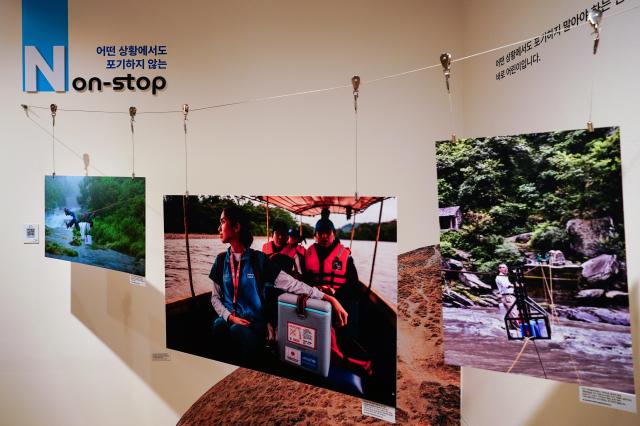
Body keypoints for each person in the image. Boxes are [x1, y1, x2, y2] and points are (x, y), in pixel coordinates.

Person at [210, 206, 348, 364]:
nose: (219, 227)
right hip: (230, 318)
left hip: (253, 324)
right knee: (219, 325)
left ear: (236, 227)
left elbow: (293, 284)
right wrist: (229, 317)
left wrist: (328, 298)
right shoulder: (220, 261)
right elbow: (215, 298)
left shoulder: (259, 260)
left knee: (237, 331)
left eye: (222, 222)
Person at [303, 207, 371, 375]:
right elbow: (304, 279)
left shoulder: (345, 256)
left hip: (341, 298)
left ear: (333, 233)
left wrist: (334, 291)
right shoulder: (308, 253)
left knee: (348, 313)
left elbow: (353, 285)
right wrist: (317, 289)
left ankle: (346, 352)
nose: (324, 236)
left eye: (327, 232)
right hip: (315, 297)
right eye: (320, 233)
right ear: (315, 235)